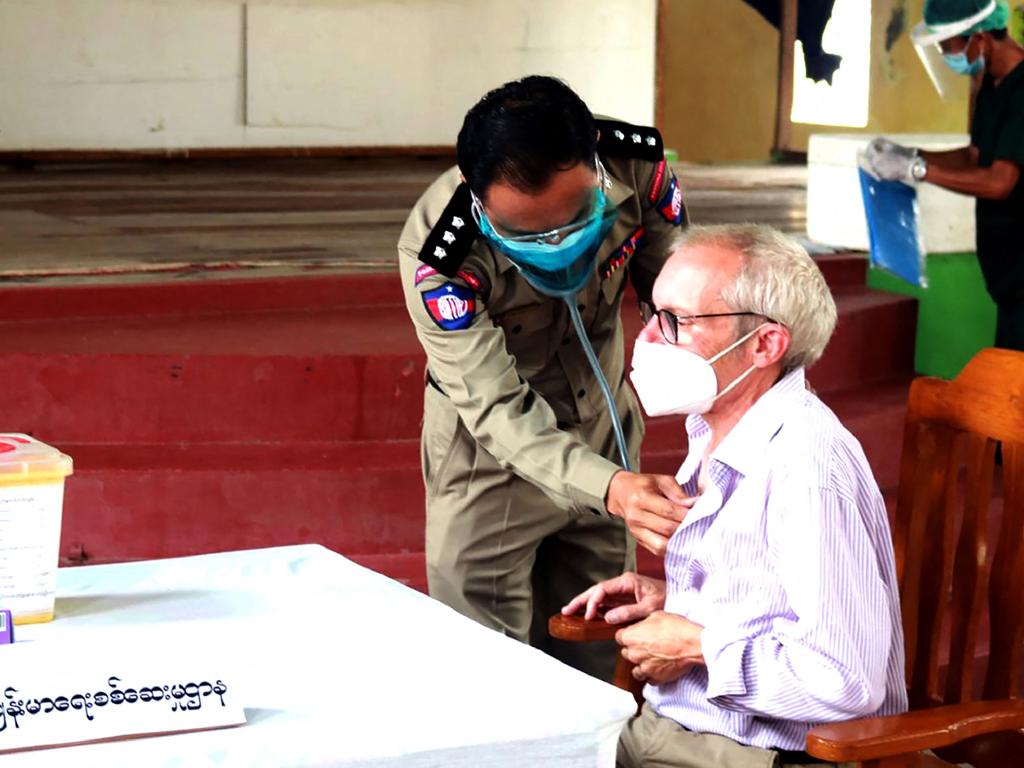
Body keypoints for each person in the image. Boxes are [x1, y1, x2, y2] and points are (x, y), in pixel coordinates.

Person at [563, 225, 908, 767]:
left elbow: (846, 680)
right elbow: (773, 599)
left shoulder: (805, 466)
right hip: (678, 728)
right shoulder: (720, 430)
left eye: (677, 321)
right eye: (653, 314)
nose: (649, 339)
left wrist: (694, 644)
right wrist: (679, 602)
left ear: (764, 345)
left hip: (751, 753)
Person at [397, 75, 691, 680]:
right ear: (478, 200)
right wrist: (612, 488)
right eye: (527, 233)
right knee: (485, 671)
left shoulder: (635, 164)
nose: (557, 244)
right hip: (490, 465)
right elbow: (496, 409)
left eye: (576, 217)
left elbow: (688, 302)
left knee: (597, 654)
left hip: (604, 434)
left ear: (595, 170)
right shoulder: (440, 255)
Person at [867, 0, 1024, 351]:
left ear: (979, 39)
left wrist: (918, 171)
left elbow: (1000, 182)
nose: (945, 58)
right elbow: (975, 157)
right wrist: (911, 155)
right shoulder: (993, 85)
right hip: (1010, 276)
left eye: (947, 47)